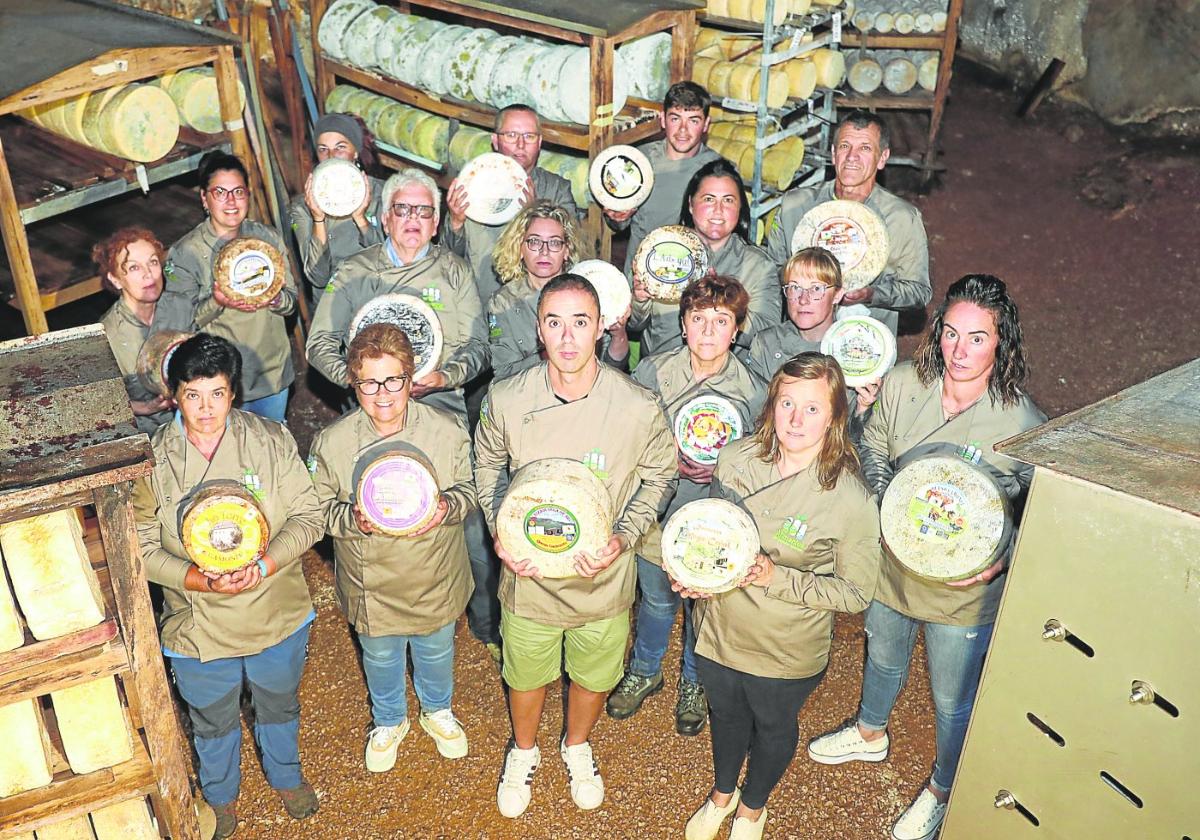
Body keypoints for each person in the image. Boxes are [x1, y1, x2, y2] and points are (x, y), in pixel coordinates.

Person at [806, 275, 1047, 840]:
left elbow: (1044, 508)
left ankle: (944, 788)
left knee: (952, 697)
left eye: (979, 339)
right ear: (938, 332)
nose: (961, 352)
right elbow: (872, 445)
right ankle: (870, 732)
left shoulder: (1022, 423)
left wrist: (1008, 552)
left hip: (963, 589)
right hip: (892, 564)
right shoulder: (903, 382)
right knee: (883, 656)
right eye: (952, 334)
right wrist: (893, 506)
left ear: (1001, 344)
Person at [474, 274, 677, 819]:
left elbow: (659, 476)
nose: (567, 337)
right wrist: (500, 528)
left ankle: (577, 746)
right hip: (530, 572)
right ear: (539, 330)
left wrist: (623, 536)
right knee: (525, 673)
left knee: (592, 675)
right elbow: (489, 465)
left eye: (580, 323)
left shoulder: (637, 405)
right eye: (554, 322)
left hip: (600, 577)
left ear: (603, 327)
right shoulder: (508, 398)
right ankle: (523, 751)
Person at [678, 353, 880, 840]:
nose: (795, 419)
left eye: (812, 409)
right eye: (787, 403)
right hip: (720, 628)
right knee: (725, 717)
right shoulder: (736, 458)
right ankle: (722, 793)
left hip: (784, 646)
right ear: (771, 404)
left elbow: (856, 593)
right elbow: (710, 534)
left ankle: (752, 807)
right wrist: (691, 573)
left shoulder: (851, 499)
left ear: (834, 417)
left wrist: (775, 577)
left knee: (771, 727)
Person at [131, 334, 323, 840]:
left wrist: (263, 565)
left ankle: (286, 776)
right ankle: (221, 798)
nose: (206, 408)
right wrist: (195, 577)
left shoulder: (270, 440)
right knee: (212, 720)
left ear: (233, 392)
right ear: (174, 396)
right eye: (193, 395)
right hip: (198, 622)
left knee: (278, 703)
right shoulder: (152, 461)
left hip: (273, 607)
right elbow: (143, 548)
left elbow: (309, 517)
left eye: (216, 393)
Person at [306, 167, 499, 657]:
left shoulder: (453, 271)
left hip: (440, 413)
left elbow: (478, 346)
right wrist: (363, 383)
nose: (413, 219)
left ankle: (481, 621)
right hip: (373, 421)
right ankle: (379, 622)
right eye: (403, 209)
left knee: (466, 525)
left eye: (424, 211)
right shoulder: (353, 272)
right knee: (375, 517)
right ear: (384, 216)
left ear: (436, 223)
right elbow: (318, 345)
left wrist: (445, 376)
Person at [308, 323, 476, 773]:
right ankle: (388, 720)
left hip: (434, 572)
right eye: (368, 382)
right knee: (380, 654)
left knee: (436, 647)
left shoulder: (446, 431)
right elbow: (317, 511)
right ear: (353, 382)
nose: (382, 393)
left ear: (410, 376)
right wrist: (352, 519)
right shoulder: (334, 443)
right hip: (372, 579)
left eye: (393, 379)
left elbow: (471, 490)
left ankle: (437, 709)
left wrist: (447, 507)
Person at [607, 275, 763, 736]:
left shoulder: (753, 388)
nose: (709, 331)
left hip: (714, 511)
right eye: (698, 319)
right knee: (656, 597)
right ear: (683, 324)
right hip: (659, 506)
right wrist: (661, 459)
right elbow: (627, 432)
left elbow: (759, 457)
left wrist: (719, 471)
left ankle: (693, 681)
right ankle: (646, 669)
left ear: (736, 329)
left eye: (722, 321)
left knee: (703, 604)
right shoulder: (653, 371)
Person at [764, 111, 931, 336]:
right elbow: (771, 269)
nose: (852, 156)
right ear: (833, 154)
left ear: (882, 158)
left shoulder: (901, 218)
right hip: (801, 339)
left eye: (865, 148)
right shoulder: (795, 206)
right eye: (844, 146)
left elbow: (919, 291)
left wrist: (872, 294)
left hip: (863, 345)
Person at [166, 151, 299, 423]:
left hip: (270, 371)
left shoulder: (267, 240)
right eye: (220, 192)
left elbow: (292, 302)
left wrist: (275, 300)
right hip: (216, 380)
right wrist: (218, 301)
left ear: (248, 195)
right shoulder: (186, 253)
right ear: (204, 197)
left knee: (270, 449)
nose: (231, 201)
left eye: (238, 191)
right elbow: (180, 324)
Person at [630, 159, 780, 360]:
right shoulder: (660, 251)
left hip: (724, 382)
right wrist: (640, 299)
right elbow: (634, 325)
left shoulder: (759, 266)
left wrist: (723, 301)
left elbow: (767, 336)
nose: (718, 210)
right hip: (659, 373)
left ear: (740, 208)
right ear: (691, 205)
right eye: (709, 199)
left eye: (728, 200)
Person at [443, 103, 579, 304]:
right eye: (511, 136)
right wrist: (455, 222)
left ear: (539, 142)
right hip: (480, 303)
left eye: (529, 136)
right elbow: (449, 258)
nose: (521, 145)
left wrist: (534, 215)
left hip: (538, 306)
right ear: (495, 141)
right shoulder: (473, 185)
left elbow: (573, 257)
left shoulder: (557, 190)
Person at [748, 247, 880, 431]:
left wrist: (863, 409)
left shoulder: (855, 349)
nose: (803, 299)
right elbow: (754, 415)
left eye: (816, 288)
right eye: (795, 287)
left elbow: (859, 438)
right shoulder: (767, 343)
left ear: (837, 294)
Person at [604, 81, 721, 275]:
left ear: (706, 124)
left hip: (691, 281)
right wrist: (616, 215)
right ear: (663, 120)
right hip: (640, 281)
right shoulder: (637, 163)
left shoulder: (718, 172)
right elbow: (618, 223)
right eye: (675, 119)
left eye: (693, 120)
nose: (683, 130)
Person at [94, 226, 195, 434]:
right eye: (134, 268)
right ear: (115, 279)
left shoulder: (182, 307)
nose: (148, 274)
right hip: (149, 435)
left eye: (153, 262)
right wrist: (144, 408)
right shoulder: (106, 335)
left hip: (193, 426)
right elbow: (98, 403)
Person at [289, 112, 385, 304]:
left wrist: (361, 219)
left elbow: (389, 263)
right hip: (332, 306)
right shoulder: (302, 206)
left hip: (375, 298)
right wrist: (318, 219)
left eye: (340, 147)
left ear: (355, 152)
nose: (331, 156)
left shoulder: (381, 193)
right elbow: (318, 277)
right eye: (323, 149)